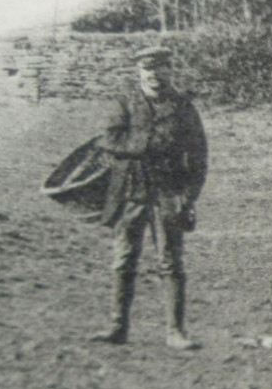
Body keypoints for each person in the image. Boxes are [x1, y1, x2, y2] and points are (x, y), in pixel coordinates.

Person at [89, 45, 208, 350]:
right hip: (131, 191)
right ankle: (117, 327)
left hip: (169, 192)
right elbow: (108, 140)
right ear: (139, 71)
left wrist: (189, 195)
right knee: (124, 258)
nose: (155, 75)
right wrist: (146, 144)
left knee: (170, 261)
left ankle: (175, 332)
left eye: (161, 68)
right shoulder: (125, 103)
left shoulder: (183, 108)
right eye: (148, 69)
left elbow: (198, 156)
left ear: (170, 70)